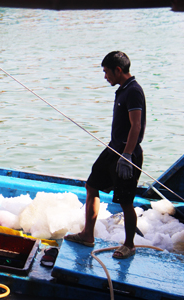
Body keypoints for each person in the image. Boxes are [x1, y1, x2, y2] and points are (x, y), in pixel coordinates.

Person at [64, 51, 146, 259]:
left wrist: (127, 156)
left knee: (126, 201)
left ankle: (129, 245)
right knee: (92, 185)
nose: (105, 76)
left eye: (106, 72)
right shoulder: (123, 90)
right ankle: (87, 235)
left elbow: (136, 125)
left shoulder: (134, 91)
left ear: (118, 70)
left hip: (127, 153)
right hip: (113, 149)